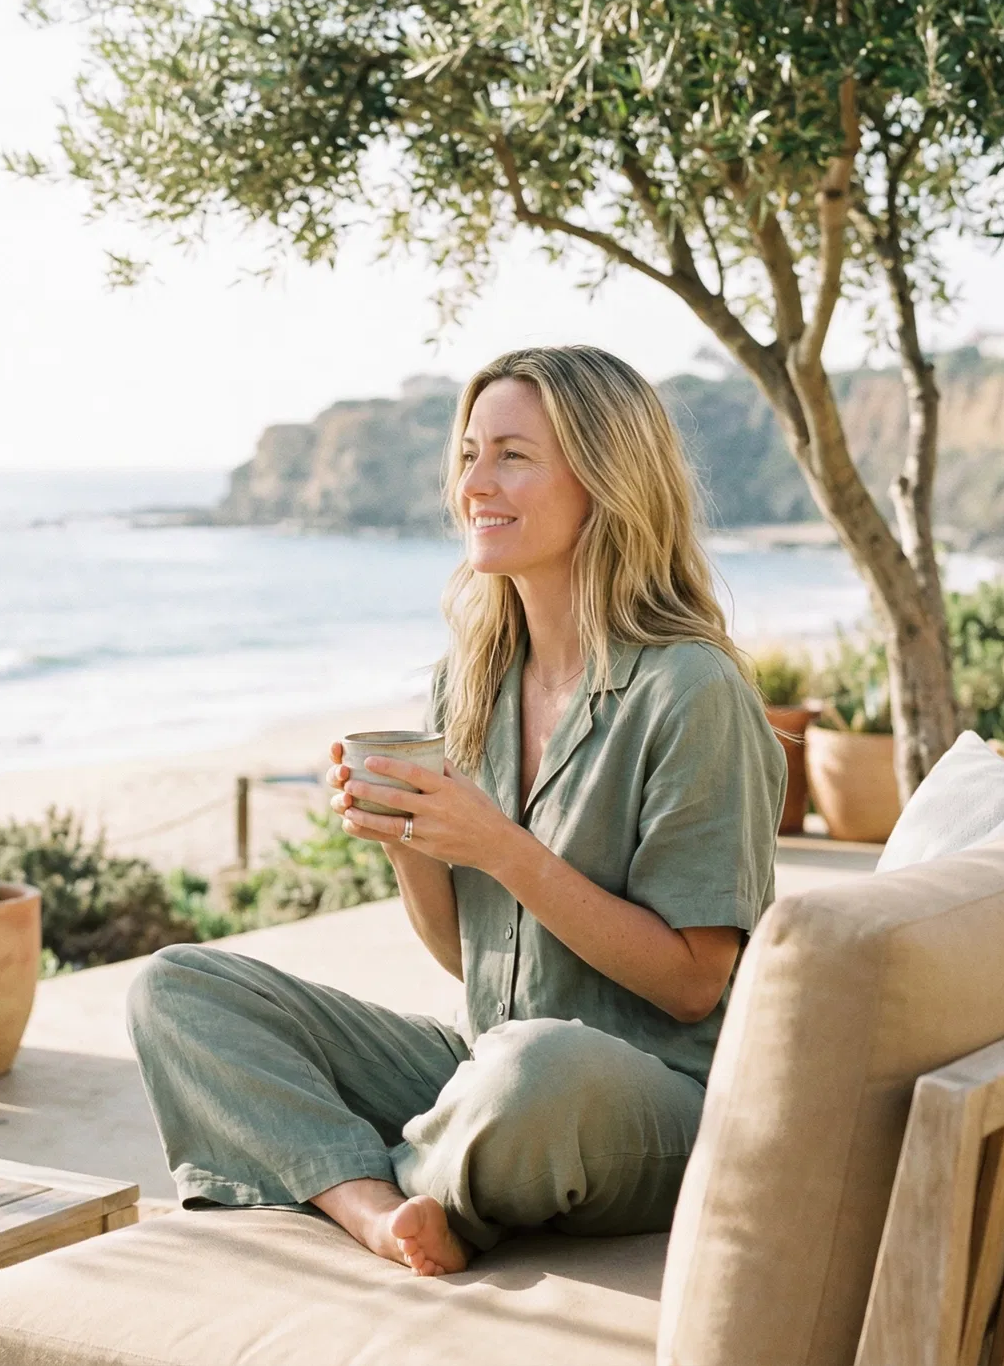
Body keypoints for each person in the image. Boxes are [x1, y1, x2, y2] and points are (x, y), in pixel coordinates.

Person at [127, 345, 785, 1276]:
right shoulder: (468, 684)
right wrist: (409, 843)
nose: (476, 482)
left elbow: (692, 984)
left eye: (513, 454)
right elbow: (464, 958)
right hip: (484, 1065)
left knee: (535, 1073)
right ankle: (374, 1208)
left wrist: (506, 850)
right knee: (176, 988)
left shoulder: (690, 690)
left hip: (643, 1098)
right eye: (469, 453)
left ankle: (346, 1170)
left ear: (606, 478)